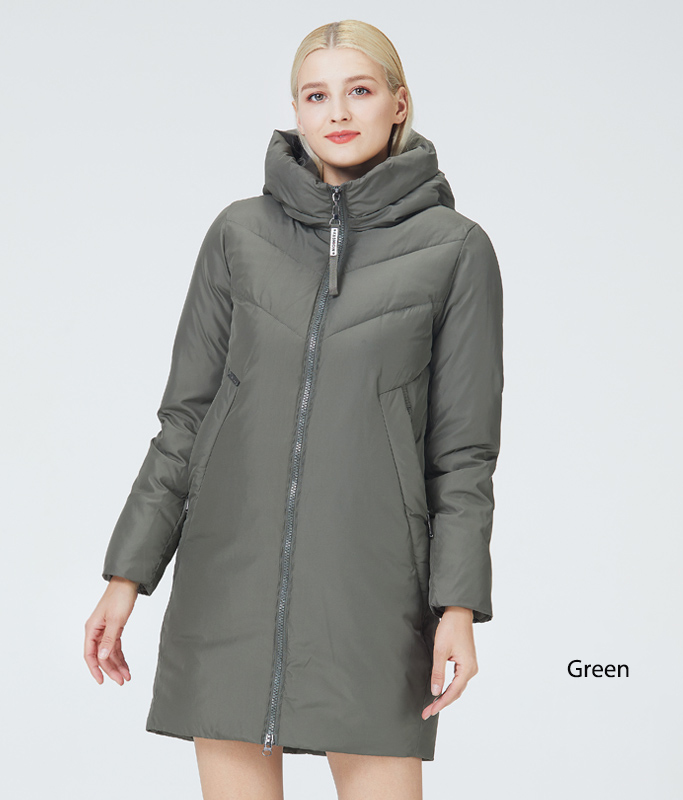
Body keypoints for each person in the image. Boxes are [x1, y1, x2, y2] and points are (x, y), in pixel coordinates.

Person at [84, 19, 504, 800]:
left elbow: (463, 452)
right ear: (296, 110)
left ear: (398, 103)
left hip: (372, 597)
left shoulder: (454, 250)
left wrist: (458, 606)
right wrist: (126, 576)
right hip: (228, 587)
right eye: (316, 95)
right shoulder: (238, 235)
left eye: (359, 90)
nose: (337, 111)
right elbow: (186, 421)